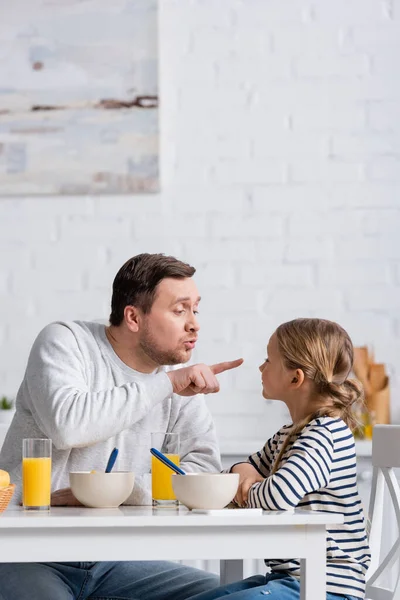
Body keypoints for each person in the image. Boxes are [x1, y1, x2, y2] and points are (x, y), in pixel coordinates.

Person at [0, 253, 243, 600]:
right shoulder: (65, 342)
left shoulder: (177, 381)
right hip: (25, 553)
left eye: (196, 309)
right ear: (132, 317)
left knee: (226, 594)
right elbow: (69, 426)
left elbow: (201, 469)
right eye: (180, 310)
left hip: (114, 560)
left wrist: (120, 492)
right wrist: (168, 384)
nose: (194, 324)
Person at [187, 318, 371, 600]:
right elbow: (232, 475)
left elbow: (278, 496)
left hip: (325, 587)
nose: (261, 368)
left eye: (267, 360)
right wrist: (243, 473)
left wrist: (246, 486)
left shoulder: (326, 434)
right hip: (289, 579)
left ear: (295, 378)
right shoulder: (289, 435)